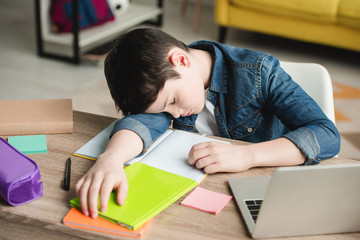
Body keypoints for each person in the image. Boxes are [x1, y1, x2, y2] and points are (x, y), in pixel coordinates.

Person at [75, 28, 340, 219]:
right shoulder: (171, 83)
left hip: (271, 190)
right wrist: (109, 160)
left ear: (181, 60)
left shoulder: (260, 71)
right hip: (208, 196)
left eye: (173, 101)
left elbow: (326, 135)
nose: (176, 114)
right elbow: (140, 123)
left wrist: (249, 155)